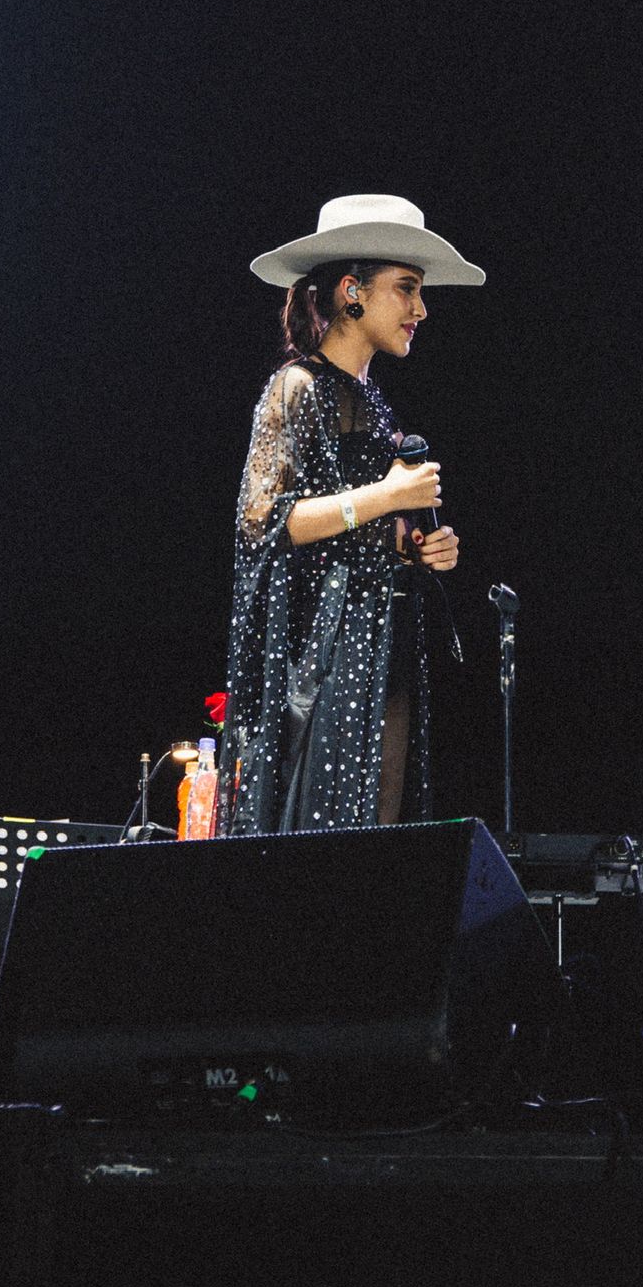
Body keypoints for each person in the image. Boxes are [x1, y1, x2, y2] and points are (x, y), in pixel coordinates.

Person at [220, 193, 484, 835]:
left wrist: (417, 549)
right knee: (321, 834)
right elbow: (265, 520)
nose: (421, 309)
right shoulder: (296, 387)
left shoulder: (373, 404)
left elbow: (360, 532)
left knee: (379, 832)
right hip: (321, 650)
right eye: (407, 289)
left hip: (380, 638)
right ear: (351, 292)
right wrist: (386, 497)